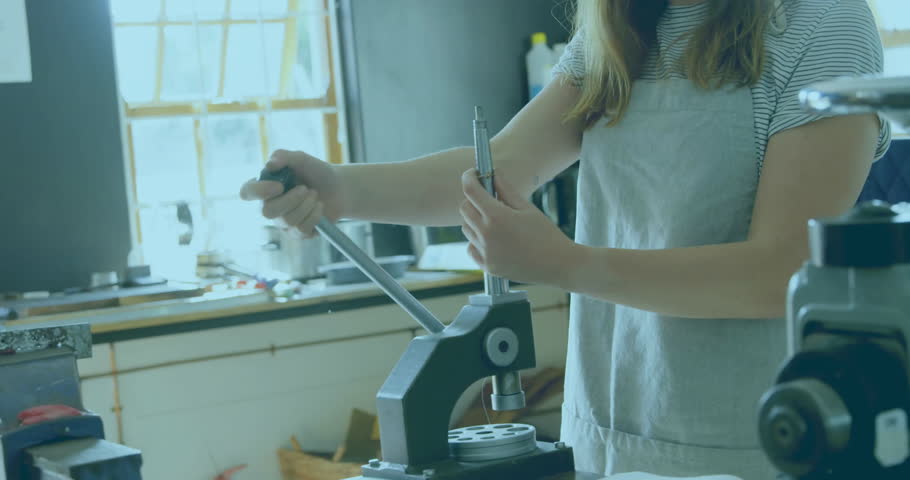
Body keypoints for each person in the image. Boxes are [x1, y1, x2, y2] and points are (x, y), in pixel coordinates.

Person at [240, 0, 891, 477]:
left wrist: (564, 263)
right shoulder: (620, 28)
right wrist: (342, 191)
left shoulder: (824, 25)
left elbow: (781, 271)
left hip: (748, 441)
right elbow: (497, 169)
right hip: (604, 436)